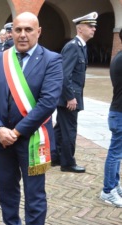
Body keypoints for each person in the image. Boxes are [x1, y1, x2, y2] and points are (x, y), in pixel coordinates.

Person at [0, 12, 63, 225]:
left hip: (33, 140)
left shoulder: (52, 60)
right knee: (6, 189)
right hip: (2, 139)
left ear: (38, 32)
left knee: (34, 195)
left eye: (29, 30)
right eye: (18, 30)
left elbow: (48, 102)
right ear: (11, 32)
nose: (23, 34)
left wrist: (15, 132)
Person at [52, 12, 98, 173]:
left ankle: (56, 157)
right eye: (90, 26)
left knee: (60, 128)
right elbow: (65, 75)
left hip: (69, 96)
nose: (94, 29)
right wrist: (70, 97)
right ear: (80, 29)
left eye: (94, 26)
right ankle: (68, 163)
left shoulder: (81, 47)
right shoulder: (73, 47)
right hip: (69, 98)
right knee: (69, 130)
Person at [100, 29, 122, 207]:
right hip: (119, 113)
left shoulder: (119, 57)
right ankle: (107, 190)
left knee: (117, 152)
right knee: (115, 153)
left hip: (118, 112)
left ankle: (114, 185)